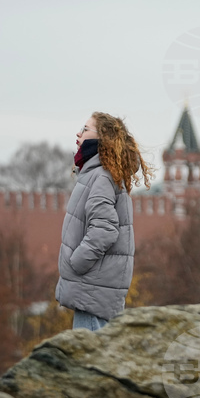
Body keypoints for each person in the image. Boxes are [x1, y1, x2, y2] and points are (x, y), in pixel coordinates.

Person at [56, 112, 154, 330]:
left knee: (87, 351)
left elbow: (105, 229)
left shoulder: (101, 176)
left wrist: (76, 262)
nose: (78, 134)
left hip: (92, 293)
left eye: (85, 129)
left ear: (103, 138)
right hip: (94, 292)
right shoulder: (102, 174)